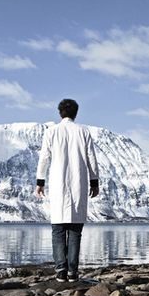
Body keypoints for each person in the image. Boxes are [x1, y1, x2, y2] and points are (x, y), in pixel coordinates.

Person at [35, 99, 100, 282]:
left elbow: (44, 158)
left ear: (59, 112)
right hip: (78, 184)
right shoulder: (83, 131)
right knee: (75, 231)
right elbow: (91, 159)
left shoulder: (51, 132)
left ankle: (60, 270)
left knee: (58, 230)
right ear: (76, 113)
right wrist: (94, 182)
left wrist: (40, 181)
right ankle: (72, 272)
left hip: (58, 184)